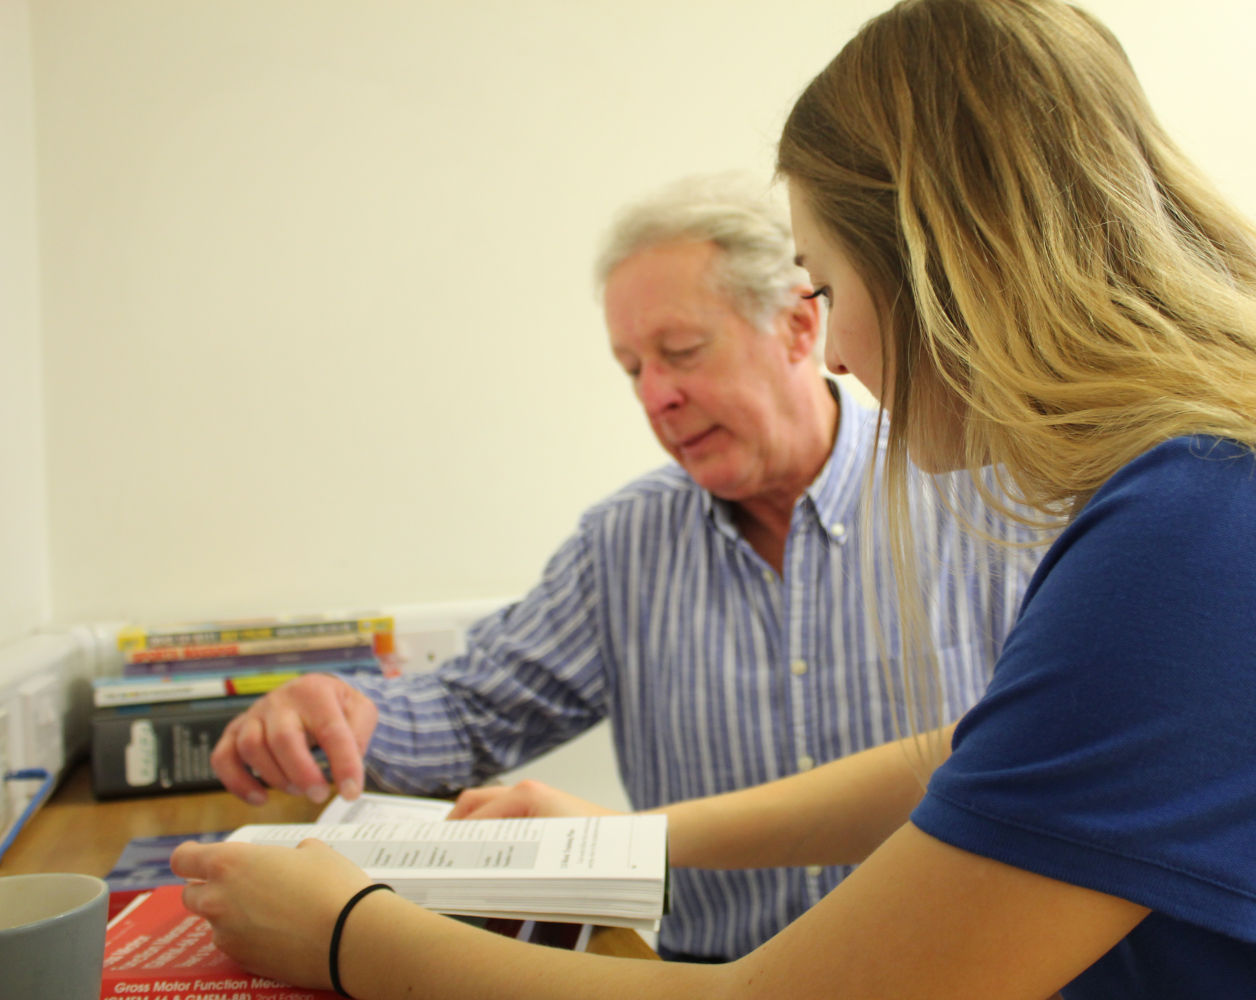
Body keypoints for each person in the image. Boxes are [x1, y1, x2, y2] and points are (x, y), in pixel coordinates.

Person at [175, 1, 1256, 997]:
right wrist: (640, 838)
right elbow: (985, 760)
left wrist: (348, 936)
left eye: (829, 281)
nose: (853, 350)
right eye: (632, 368)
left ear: (938, 268)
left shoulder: (1211, 539)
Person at [207, 171, 1041, 962]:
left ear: (798, 324)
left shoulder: (978, 499)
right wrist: (342, 715)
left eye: (681, 351)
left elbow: (1041, 765)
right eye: (633, 369)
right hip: (699, 975)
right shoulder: (624, 543)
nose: (654, 398)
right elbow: (468, 716)